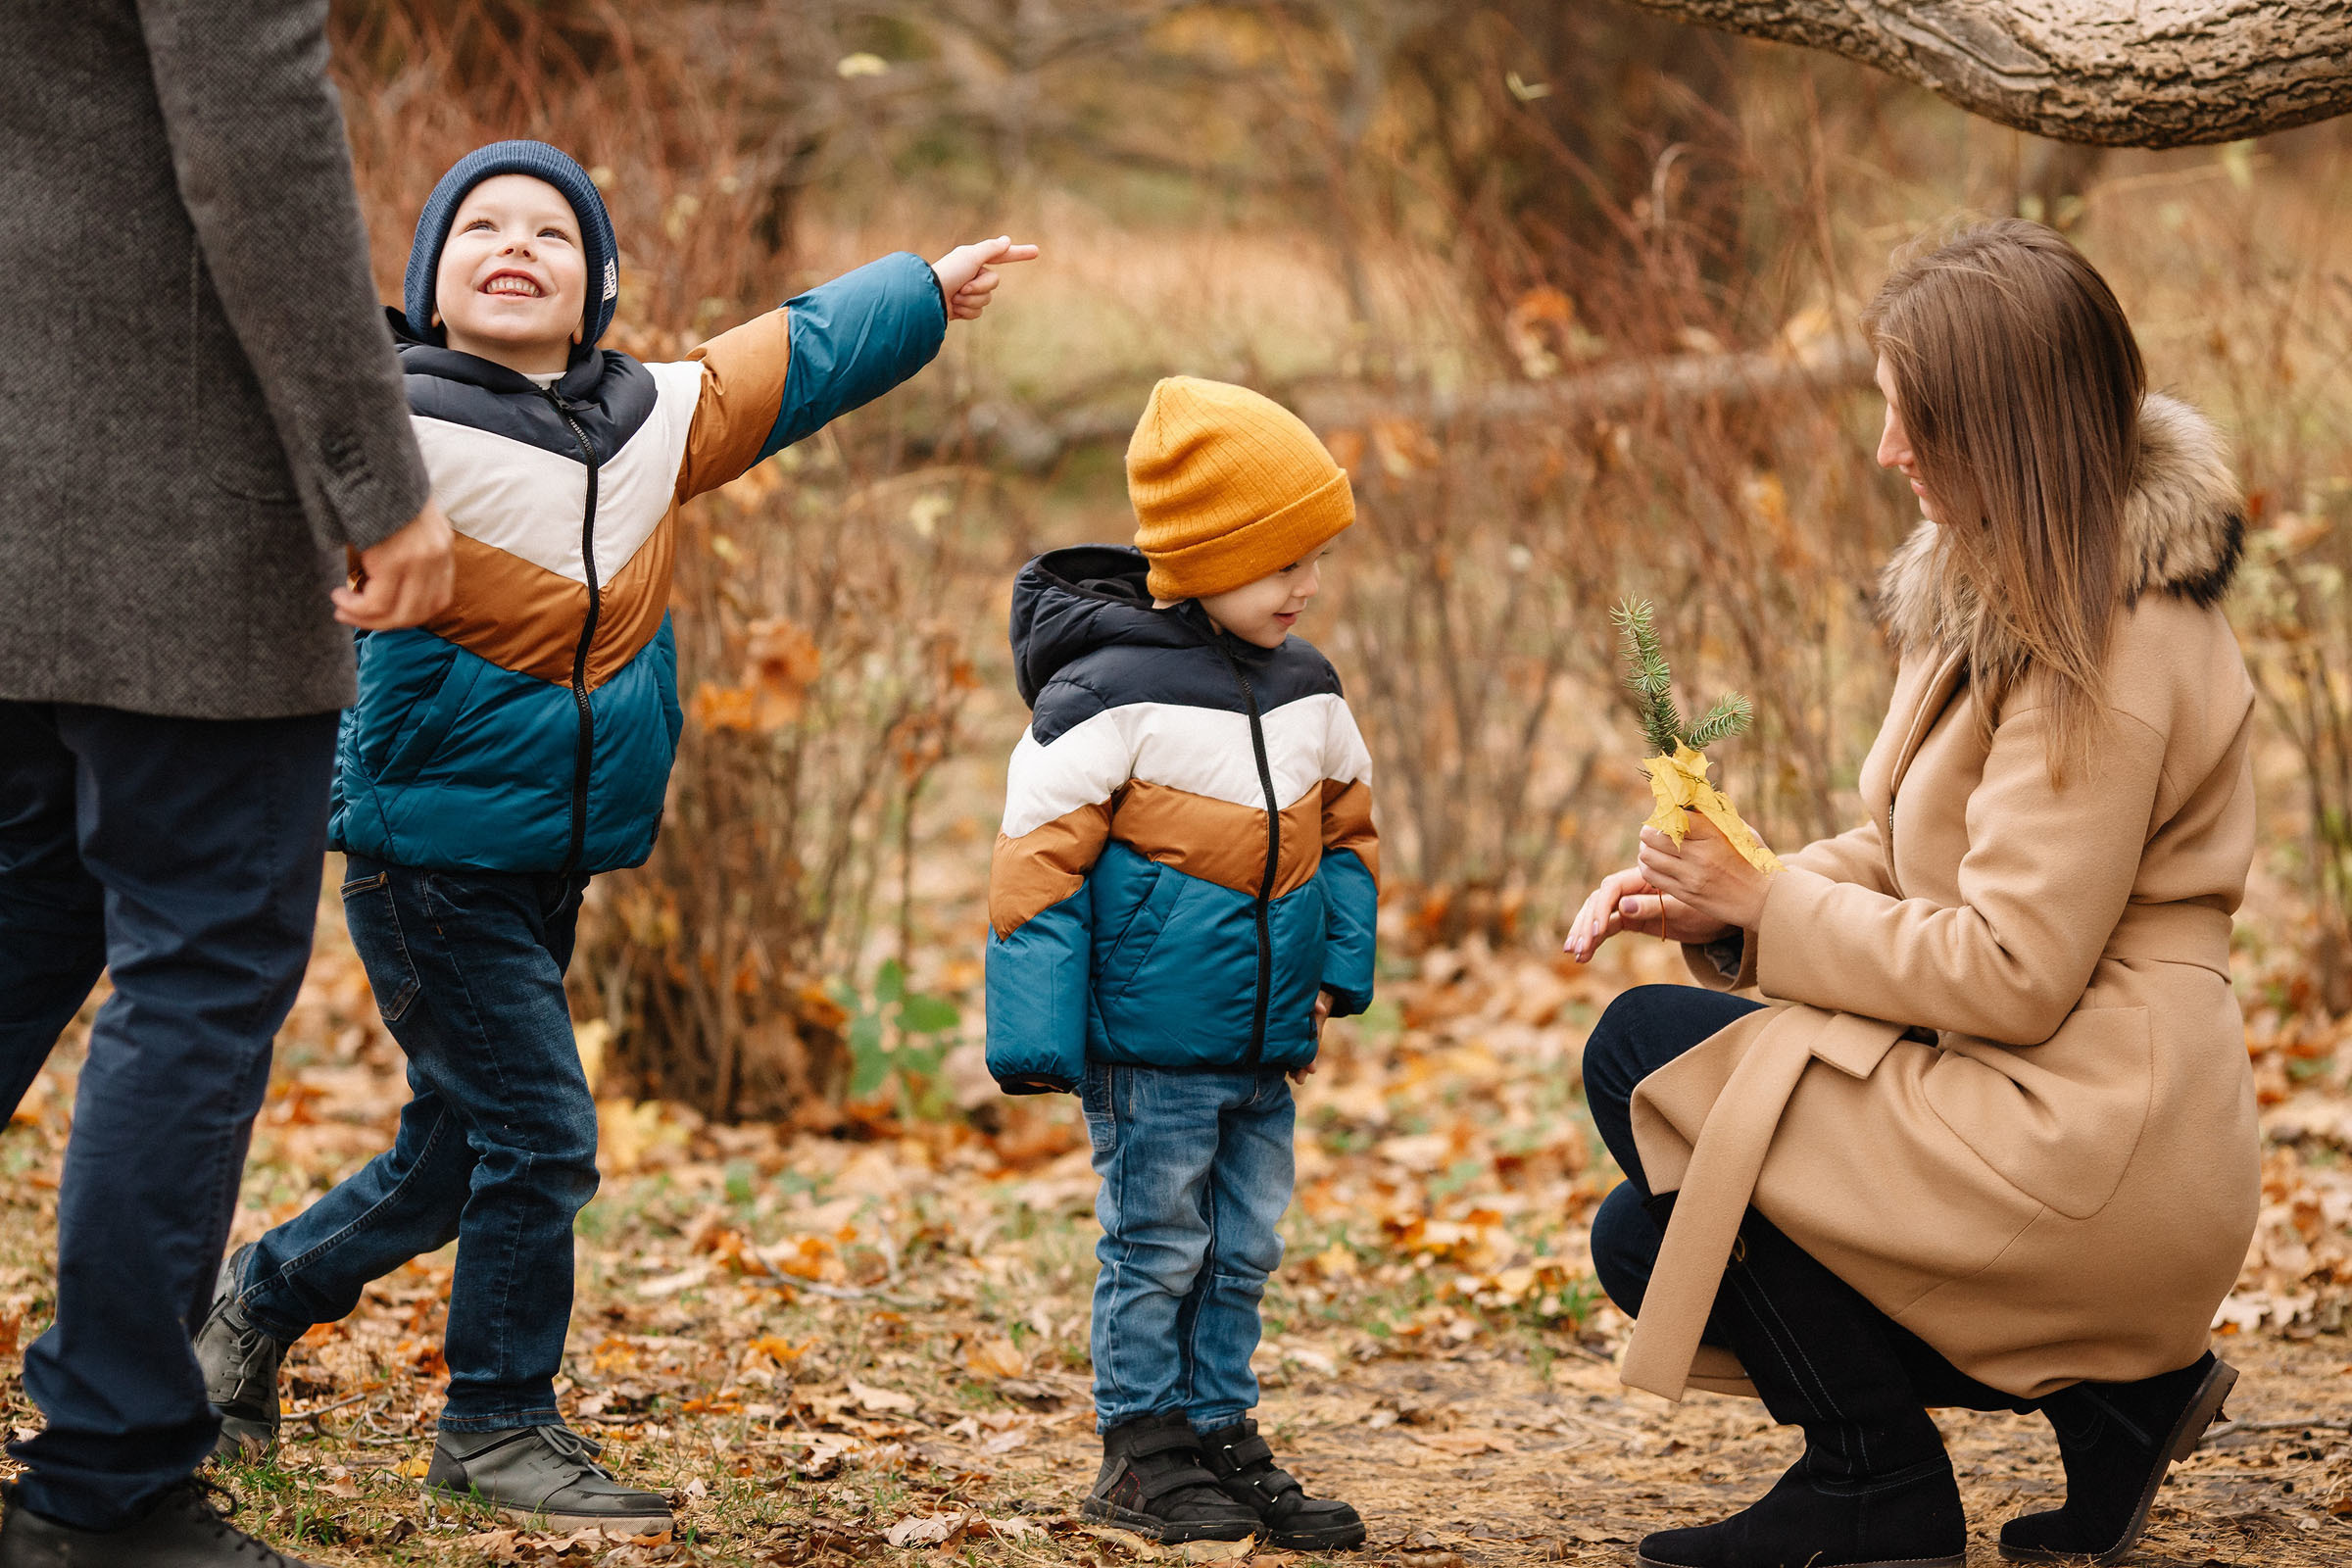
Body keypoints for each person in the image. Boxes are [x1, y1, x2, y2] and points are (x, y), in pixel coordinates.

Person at [189, 139, 1033, 1535]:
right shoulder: (389, 427)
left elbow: (797, 355)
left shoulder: (651, 419)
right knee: (541, 1132)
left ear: (597, 292)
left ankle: (257, 1301)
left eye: (551, 233)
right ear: (429, 281)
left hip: (551, 856)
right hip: (426, 856)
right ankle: (497, 1422)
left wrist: (926, 293)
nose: (514, 244)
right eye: (480, 228)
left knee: (462, 1149)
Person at [1563, 219, 2258, 1568]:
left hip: (2097, 1134)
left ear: (2005, 426)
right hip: (2048, 1101)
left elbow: (2012, 968)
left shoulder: (2103, 638)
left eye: (1912, 419)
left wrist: (1767, 915)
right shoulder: (2011, 583)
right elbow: (1911, 860)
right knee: (1652, 1229)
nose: (1887, 452)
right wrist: (1733, 894)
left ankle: (1876, 1487)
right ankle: (2119, 1404)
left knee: (1642, 1061)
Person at [0, 4, 453, 1565]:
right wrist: (374, 477)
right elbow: (253, 127)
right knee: (201, 964)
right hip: (167, 516)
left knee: (20, 928)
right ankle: (110, 1482)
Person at [984, 378, 1377, 1550]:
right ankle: (1140, 1446)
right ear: (1200, 559)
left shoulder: (1310, 689)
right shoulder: (1105, 693)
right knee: (1158, 1241)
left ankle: (1217, 1428)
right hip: (1149, 1043)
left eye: (1314, 559)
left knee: (1245, 1241)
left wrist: (1339, 962)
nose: (1304, 586)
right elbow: (1035, 864)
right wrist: (1038, 1030)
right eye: (1279, 562)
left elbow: (1346, 832)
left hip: (1263, 1037)